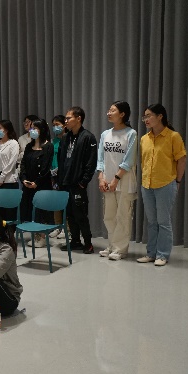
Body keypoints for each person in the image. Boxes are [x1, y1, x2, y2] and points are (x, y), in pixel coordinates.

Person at [137, 104, 186, 266]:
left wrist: (177, 181)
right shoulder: (144, 139)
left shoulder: (173, 136)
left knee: (163, 221)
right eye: (144, 117)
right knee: (152, 221)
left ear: (160, 116)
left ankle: (163, 255)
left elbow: (181, 160)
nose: (146, 119)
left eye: (149, 116)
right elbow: (143, 162)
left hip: (166, 184)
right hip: (147, 185)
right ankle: (151, 253)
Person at [96, 101, 138, 261]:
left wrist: (116, 179)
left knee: (123, 216)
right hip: (107, 180)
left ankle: (120, 249)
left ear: (122, 114)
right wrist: (101, 177)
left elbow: (129, 160)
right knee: (109, 216)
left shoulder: (131, 133)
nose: (109, 113)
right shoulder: (105, 134)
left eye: (112, 110)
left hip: (124, 181)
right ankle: (112, 245)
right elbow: (100, 159)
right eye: (109, 110)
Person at [57, 106, 98, 254]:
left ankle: (88, 243)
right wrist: (60, 180)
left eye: (69, 118)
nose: (66, 121)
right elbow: (61, 159)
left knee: (80, 215)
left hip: (78, 183)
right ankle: (75, 241)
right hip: (65, 182)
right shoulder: (65, 137)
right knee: (69, 214)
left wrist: (83, 182)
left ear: (78, 118)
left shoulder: (88, 137)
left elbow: (91, 162)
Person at [20, 119, 54, 247]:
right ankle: (34, 235)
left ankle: (42, 236)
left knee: (42, 211)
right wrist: (23, 179)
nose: (32, 130)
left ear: (42, 130)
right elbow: (23, 164)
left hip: (42, 184)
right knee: (29, 209)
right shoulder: (29, 146)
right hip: (28, 184)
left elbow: (46, 168)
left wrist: (37, 182)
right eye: (31, 128)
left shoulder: (48, 146)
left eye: (35, 128)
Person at [0, 120, 20, 220]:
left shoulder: (13, 143)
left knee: (9, 211)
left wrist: (1, 179)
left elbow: (11, 163)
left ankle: (10, 229)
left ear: (6, 130)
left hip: (9, 179)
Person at [49, 115, 67, 239]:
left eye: (57, 124)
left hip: (65, 174)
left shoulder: (68, 139)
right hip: (54, 174)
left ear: (64, 125)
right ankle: (57, 226)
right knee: (56, 201)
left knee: (66, 202)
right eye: (53, 125)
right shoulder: (54, 141)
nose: (55, 127)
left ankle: (67, 228)